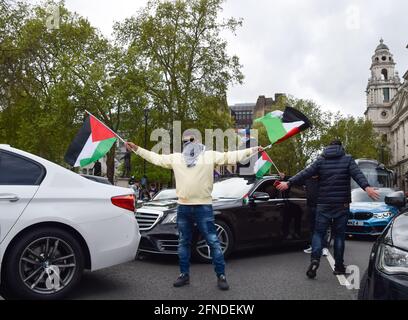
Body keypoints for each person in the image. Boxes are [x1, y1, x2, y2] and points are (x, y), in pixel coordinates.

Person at [126, 133, 261, 290]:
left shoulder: (208, 156)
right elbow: (155, 158)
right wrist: (136, 149)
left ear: (197, 142)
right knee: (184, 242)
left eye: (191, 140)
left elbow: (230, 156)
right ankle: (184, 275)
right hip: (183, 206)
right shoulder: (176, 158)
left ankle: (221, 276)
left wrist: (252, 150)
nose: (188, 143)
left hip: (203, 206)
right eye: (185, 141)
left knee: (213, 242)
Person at [276, 140, 379, 279]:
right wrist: (367, 187)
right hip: (341, 204)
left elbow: (305, 173)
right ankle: (339, 267)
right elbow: (357, 174)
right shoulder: (347, 159)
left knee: (318, 233)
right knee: (339, 236)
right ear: (340, 147)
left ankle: (315, 260)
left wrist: (288, 183)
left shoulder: (320, 160)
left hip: (323, 204)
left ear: (328, 147)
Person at [303, 176, 329, 257]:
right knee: (312, 227)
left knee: (322, 227)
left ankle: (324, 248)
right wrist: (284, 177)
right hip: (310, 207)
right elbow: (295, 180)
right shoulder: (307, 179)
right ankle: (313, 246)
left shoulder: (323, 178)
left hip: (321, 206)